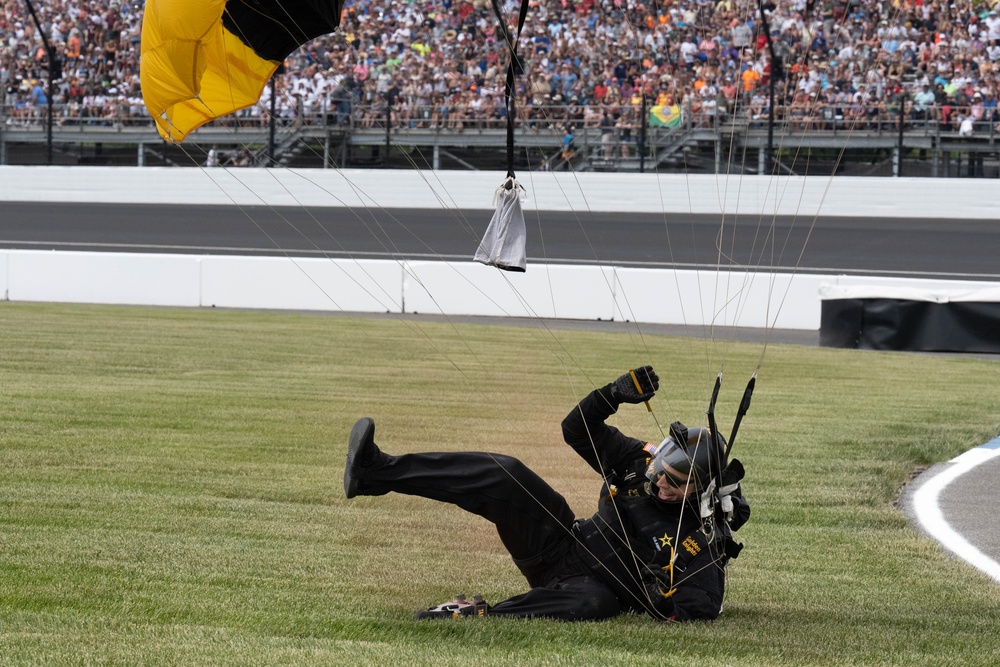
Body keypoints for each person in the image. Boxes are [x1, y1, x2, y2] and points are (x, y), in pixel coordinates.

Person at [343, 366, 750, 622]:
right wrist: (612, 395)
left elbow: (702, 606)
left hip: (589, 587)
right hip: (561, 543)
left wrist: (662, 595)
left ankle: (479, 615)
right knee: (506, 473)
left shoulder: (703, 537)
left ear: (703, 489)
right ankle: (376, 473)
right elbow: (576, 430)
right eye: (660, 470)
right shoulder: (639, 460)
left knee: (595, 606)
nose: (659, 481)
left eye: (674, 482)